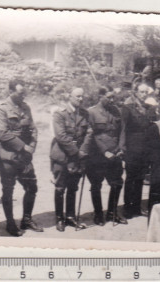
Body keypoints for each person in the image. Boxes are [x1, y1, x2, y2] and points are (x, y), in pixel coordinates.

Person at [0, 79, 43, 237]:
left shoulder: (26, 107)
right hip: (8, 157)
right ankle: (10, 223)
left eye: (24, 93)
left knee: (31, 187)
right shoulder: (1, 109)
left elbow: (33, 129)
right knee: (8, 190)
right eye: (21, 93)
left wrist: (32, 147)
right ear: (11, 92)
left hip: (25, 157)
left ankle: (26, 219)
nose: (24, 96)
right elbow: (3, 134)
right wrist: (23, 146)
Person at [50, 88, 93, 232]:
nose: (80, 99)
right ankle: (59, 218)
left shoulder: (85, 113)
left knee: (73, 187)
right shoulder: (60, 114)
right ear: (70, 97)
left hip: (79, 157)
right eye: (77, 96)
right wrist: (76, 152)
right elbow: (60, 136)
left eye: (82, 96)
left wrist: (83, 150)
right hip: (63, 156)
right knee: (60, 187)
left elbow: (89, 133)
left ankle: (70, 216)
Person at [86, 86, 127, 226]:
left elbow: (122, 131)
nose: (112, 100)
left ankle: (112, 212)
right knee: (96, 185)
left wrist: (121, 148)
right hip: (97, 156)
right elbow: (92, 135)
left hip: (115, 153)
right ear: (100, 96)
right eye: (108, 97)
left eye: (113, 97)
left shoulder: (116, 110)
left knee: (117, 183)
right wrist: (104, 151)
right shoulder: (91, 112)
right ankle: (98, 214)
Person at [120, 83, 157, 219]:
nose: (144, 94)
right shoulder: (128, 108)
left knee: (140, 179)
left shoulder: (150, 108)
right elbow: (123, 128)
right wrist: (123, 147)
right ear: (135, 92)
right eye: (141, 92)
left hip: (146, 148)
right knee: (130, 178)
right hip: (132, 148)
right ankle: (127, 208)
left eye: (146, 92)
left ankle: (136, 207)